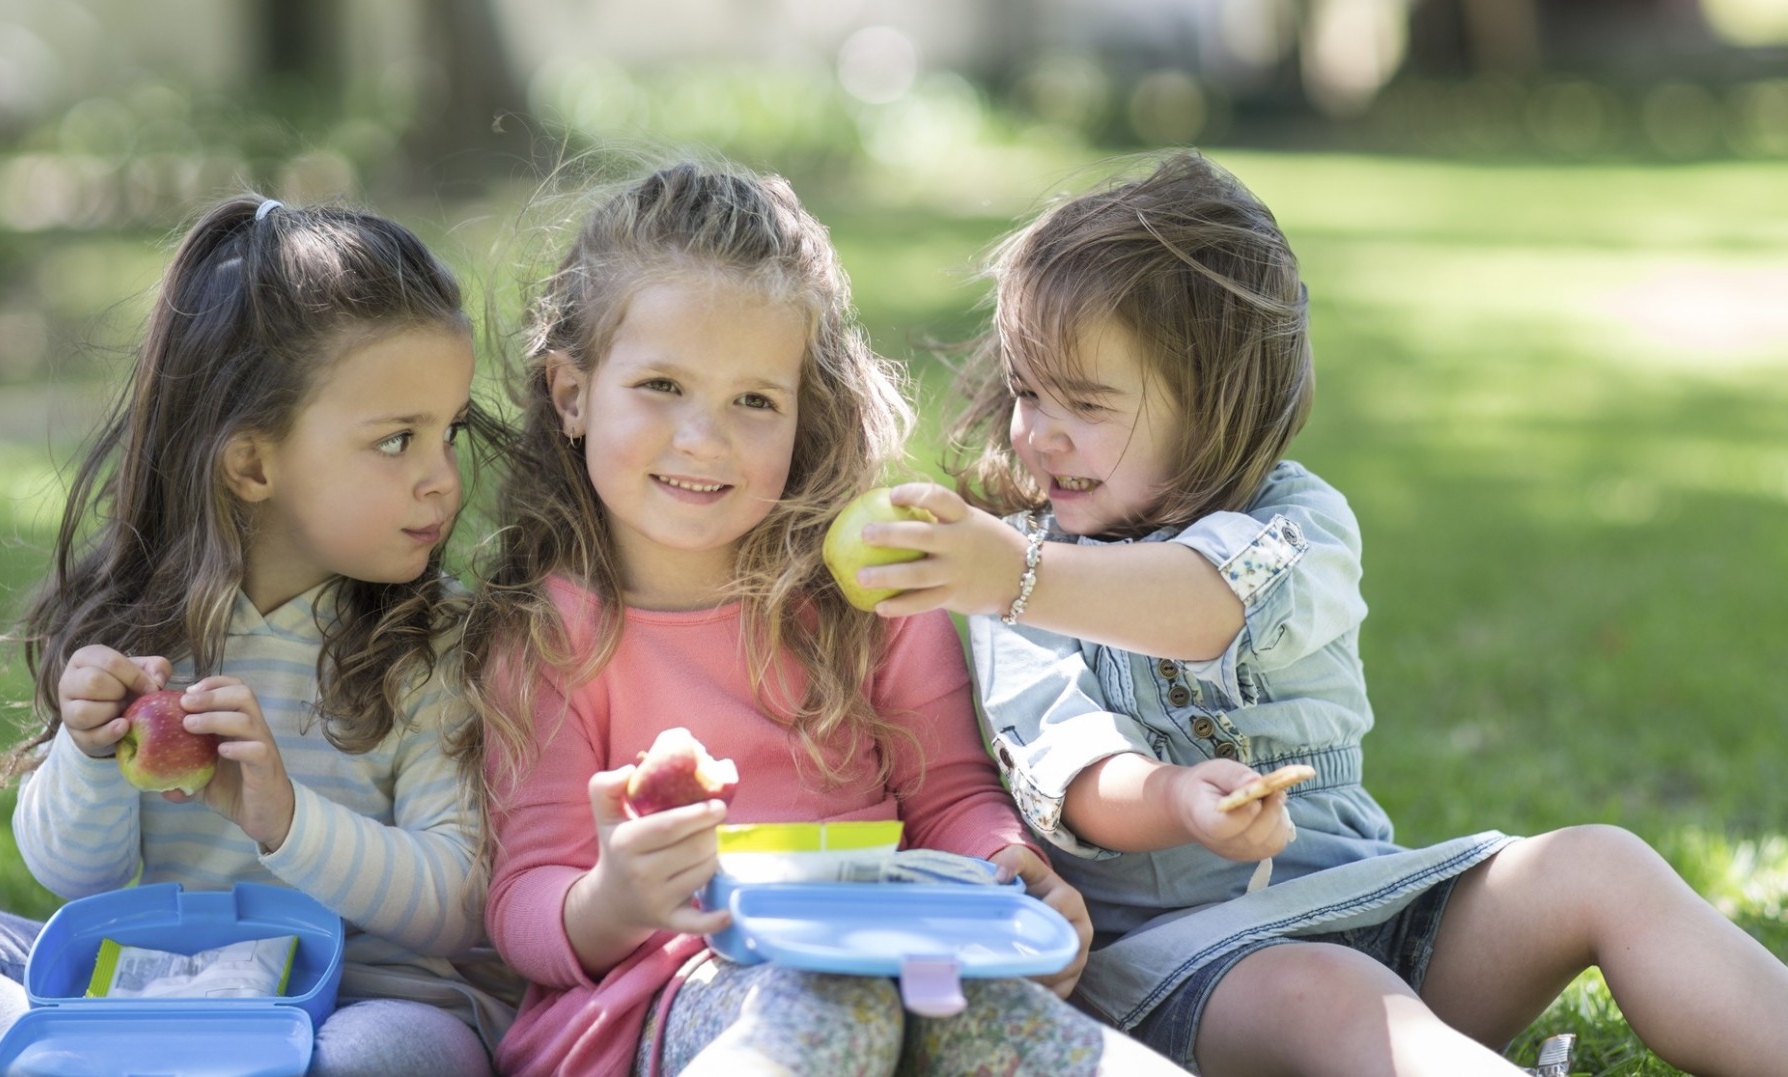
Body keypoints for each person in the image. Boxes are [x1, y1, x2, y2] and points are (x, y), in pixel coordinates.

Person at [844, 149, 1788, 1077]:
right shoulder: (1012, 582)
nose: (1038, 432)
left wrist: (1017, 572)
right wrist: (1177, 798)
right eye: (1026, 391)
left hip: (1375, 905)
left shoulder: (1293, 524)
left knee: (1602, 864)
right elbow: (1080, 779)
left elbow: (1209, 604)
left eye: (1084, 403)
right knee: (1337, 993)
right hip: (1185, 973)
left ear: (1216, 408)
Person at [455, 161, 1190, 1076]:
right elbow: (526, 901)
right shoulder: (551, 636)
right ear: (572, 393)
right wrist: (616, 896)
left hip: (902, 952)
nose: (703, 438)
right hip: (670, 989)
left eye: (754, 400)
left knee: (1019, 1031)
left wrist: (1012, 869)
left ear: (805, 413)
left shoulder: (869, 598)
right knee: (834, 1007)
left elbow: (950, 799)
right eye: (661, 385)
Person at [0, 195, 518, 1077]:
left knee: (400, 1052)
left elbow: (457, 904)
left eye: (449, 432)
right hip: (170, 984)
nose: (442, 478)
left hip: (362, 999)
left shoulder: (437, 641)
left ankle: (77, 1065)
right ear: (253, 463)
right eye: (398, 440)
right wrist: (90, 752)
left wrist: (286, 818)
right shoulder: (139, 632)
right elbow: (76, 877)